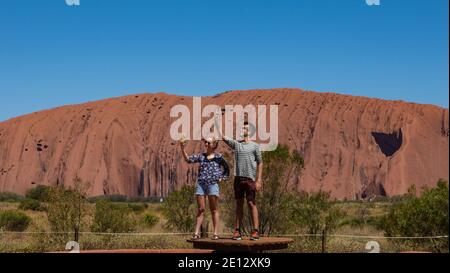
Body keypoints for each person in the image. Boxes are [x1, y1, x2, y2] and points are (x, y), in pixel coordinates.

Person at [215, 119, 263, 241]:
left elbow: (260, 162)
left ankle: (256, 231)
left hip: (250, 179)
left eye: (245, 128)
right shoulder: (237, 144)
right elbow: (223, 137)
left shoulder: (255, 146)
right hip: (238, 178)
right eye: (242, 128)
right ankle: (237, 231)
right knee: (239, 205)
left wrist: (259, 180)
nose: (242, 130)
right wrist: (217, 121)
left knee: (251, 203)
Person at [180, 135, 229, 240]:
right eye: (205, 142)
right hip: (201, 185)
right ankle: (196, 233)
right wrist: (182, 148)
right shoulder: (201, 156)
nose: (206, 144)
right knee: (201, 209)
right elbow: (188, 159)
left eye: (208, 142)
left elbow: (227, 168)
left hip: (212, 184)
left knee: (214, 209)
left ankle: (215, 233)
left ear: (214, 145)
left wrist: (222, 178)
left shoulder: (218, 157)